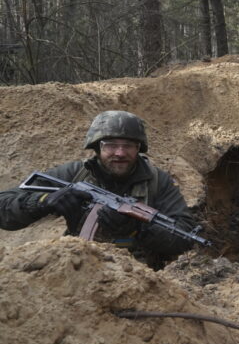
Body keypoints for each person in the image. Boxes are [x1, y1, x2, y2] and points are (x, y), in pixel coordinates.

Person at [0, 110, 197, 269]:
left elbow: (184, 237)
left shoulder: (157, 181)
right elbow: (4, 206)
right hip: (75, 265)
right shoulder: (76, 173)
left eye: (128, 145)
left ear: (139, 148)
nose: (120, 153)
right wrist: (43, 201)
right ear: (97, 147)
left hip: (136, 275)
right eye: (110, 145)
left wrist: (138, 229)